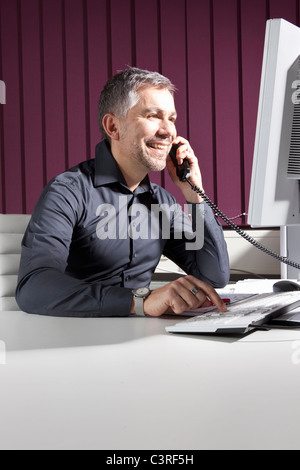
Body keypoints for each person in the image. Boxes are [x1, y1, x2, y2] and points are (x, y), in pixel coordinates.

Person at [16, 67, 230, 317]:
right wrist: (138, 301)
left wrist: (195, 194)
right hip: (75, 336)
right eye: (153, 116)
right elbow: (33, 288)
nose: (168, 131)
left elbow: (214, 275)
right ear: (113, 127)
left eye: (171, 119)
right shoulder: (68, 192)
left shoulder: (162, 202)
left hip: (139, 337)